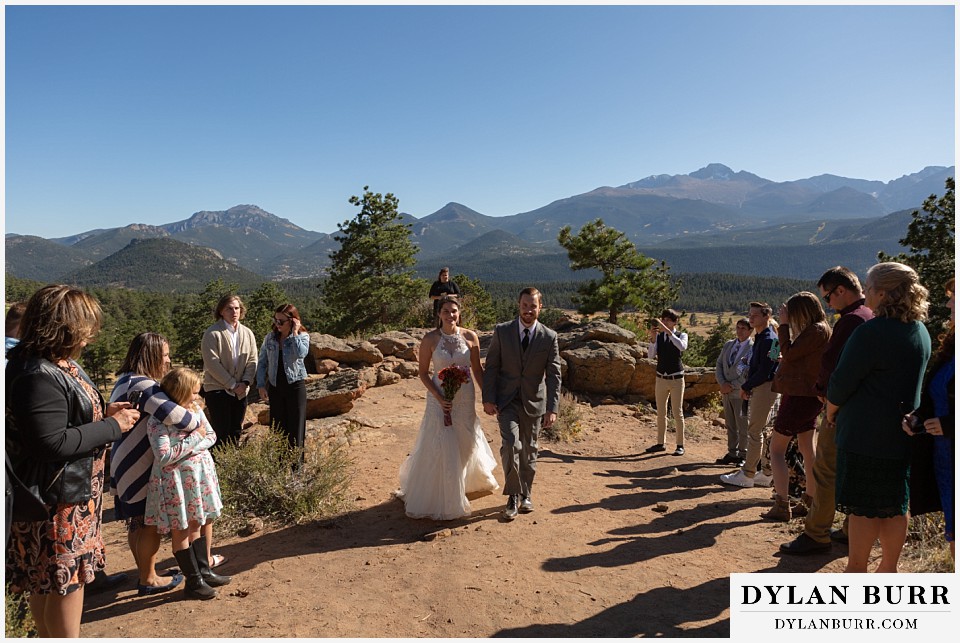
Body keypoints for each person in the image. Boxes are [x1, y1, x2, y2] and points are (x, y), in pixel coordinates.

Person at [5, 285, 141, 637]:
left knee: (46, 582)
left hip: (70, 496)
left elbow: (61, 418)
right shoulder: (37, 373)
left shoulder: (51, 363)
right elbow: (50, 443)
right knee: (63, 583)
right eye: (85, 327)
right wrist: (112, 426)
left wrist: (99, 412)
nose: (90, 336)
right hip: (58, 506)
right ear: (64, 326)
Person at [827, 262, 931, 573]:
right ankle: (888, 568)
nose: (866, 294)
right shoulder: (920, 332)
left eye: (869, 288)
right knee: (895, 504)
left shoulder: (870, 333)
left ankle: (856, 569)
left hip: (863, 434)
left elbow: (840, 384)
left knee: (862, 508)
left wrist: (832, 412)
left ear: (883, 294)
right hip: (901, 434)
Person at [780, 266, 873, 555]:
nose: (828, 304)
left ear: (842, 290)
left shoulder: (850, 322)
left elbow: (835, 368)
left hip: (840, 408)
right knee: (853, 472)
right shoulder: (869, 316)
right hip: (861, 410)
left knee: (825, 471)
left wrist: (827, 403)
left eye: (829, 297)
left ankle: (816, 533)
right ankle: (848, 529)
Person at [109, 333, 201, 596]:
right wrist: (198, 421)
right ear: (149, 356)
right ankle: (148, 578)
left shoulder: (123, 380)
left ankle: (144, 572)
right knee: (147, 523)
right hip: (139, 468)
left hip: (124, 464)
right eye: (164, 355)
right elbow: (178, 417)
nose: (168, 361)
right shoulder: (146, 386)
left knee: (136, 522)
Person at [398, 295, 499, 519]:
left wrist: (487, 397)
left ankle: (463, 479)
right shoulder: (430, 339)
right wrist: (438, 396)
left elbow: (477, 371)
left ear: (459, 313)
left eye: (453, 311)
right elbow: (423, 373)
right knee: (442, 442)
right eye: (445, 311)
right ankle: (445, 492)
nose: (450, 315)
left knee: (467, 441)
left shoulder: (471, 337)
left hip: (465, 398)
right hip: (440, 398)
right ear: (438, 314)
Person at [145, 367, 231, 600]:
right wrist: (195, 438)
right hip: (176, 483)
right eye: (193, 392)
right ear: (181, 391)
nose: (197, 396)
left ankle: (203, 572)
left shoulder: (194, 410)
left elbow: (211, 436)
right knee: (181, 530)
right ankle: (193, 582)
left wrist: (192, 445)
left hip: (196, 478)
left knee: (196, 524)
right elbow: (163, 456)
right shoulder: (158, 421)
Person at [482, 287, 562, 520]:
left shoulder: (549, 337)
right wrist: (488, 398)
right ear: (519, 305)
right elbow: (492, 367)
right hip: (506, 401)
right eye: (525, 305)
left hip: (535, 403)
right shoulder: (502, 331)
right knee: (510, 446)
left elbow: (554, 375)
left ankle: (527, 494)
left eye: (533, 306)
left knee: (529, 450)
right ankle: (513, 495)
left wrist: (552, 408)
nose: (529, 310)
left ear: (540, 307)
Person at [762, 293, 831, 521]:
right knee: (806, 449)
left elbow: (790, 352)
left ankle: (782, 504)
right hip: (809, 395)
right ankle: (809, 500)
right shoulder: (821, 330)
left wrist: (782, 325)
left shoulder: (816, 330)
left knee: (776, 449)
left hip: (799, 396)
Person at [904, 278, 954, 560]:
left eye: (954, 297)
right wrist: (919, 417)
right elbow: (938, 393)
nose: (948, 303)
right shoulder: (952, 347)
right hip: (945, 461)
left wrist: (949, 425)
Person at [720, 302, 778, 488]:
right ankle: (766, 473)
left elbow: (767, 369)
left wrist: (746, 386)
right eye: (750, 315)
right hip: (762, 387)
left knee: (755, 431)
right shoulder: (764, 337)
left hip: (764, 388)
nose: (751, 318)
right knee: (762, 431)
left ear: (766, 316)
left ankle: (747, 474)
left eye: (755, 315)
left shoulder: (771, 339)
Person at [201, 293, 258, 446]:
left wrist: (245, 382)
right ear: (221, 311)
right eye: (229, 309)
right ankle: (218, 468)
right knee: (221, 434)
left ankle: (231, 467)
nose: (234, 312)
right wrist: (232, 384)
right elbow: (212, 363)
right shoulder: (212, 333)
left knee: (235, 432)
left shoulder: (247, 333)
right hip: (217, 390)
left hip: (241, 391)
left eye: (237, 308)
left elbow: (253, 359)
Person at [256, 304, 310, 455]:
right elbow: (262, 362)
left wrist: (294, 333)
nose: (277, 324)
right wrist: (261, 385)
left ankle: (296, 472)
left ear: (293, 321)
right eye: (275, 320)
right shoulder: (270, 338)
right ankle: (279, 471)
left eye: (281, 321)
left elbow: (301, 354)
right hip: (275, 388)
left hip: (295, 387)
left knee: (296, 430)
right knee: (278, 431)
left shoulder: (302, 336)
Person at [645, 309, 689, 456]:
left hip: (676, 378)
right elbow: (651, 356)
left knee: (677, 412)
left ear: (675, 322)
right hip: (661, 378)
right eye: (663, 320)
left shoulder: (681, 335)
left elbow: (682, 347)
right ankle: (660, 443)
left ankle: (680, 445)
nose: (664, 323)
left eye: (668, 320)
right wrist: (652, 338)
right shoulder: (659, 337)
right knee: (661, 413)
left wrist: (669, 333)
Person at [714, 318, 753, 466]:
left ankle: (744, 454)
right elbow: (719, 364)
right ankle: (732, 452)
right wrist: (722, 383)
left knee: (743, 424)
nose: (740, 330)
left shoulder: (752, 348)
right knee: (730, 423)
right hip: (726, 392)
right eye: (738, 327)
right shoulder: (729, 345)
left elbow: (748, 372)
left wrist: (732, 385)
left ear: (750, 331)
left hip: (741, 393)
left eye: (743, 328)